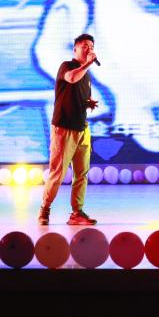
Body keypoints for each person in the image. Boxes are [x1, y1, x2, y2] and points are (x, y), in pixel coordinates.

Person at [38, 33, 99, 226]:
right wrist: (87, 64)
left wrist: (88, 103)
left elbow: (77, 94)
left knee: (81, 174)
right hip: (64, 128)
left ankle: (76, 213)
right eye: (85, 46)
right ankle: (44, 209)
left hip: (82, 128)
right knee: (58, 172)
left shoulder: (86, 74)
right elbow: (71, 79)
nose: (89, 49)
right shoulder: (67, 66)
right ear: (75, 49)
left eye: (91, 46)